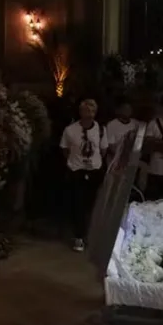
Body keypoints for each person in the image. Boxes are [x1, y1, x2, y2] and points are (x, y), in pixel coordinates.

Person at [60, 99, 108, 252]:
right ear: (80, 112)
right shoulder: (70, 130)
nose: (89, 115)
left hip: (94, 171)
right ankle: (79, 236)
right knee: (78, 204)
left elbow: (104, 149)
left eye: (92, 111)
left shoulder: (101, 130)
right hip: (77, 171)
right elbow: (65, 148)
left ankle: (92, 235)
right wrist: (74, 162)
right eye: (86, 111)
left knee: (93, 204)